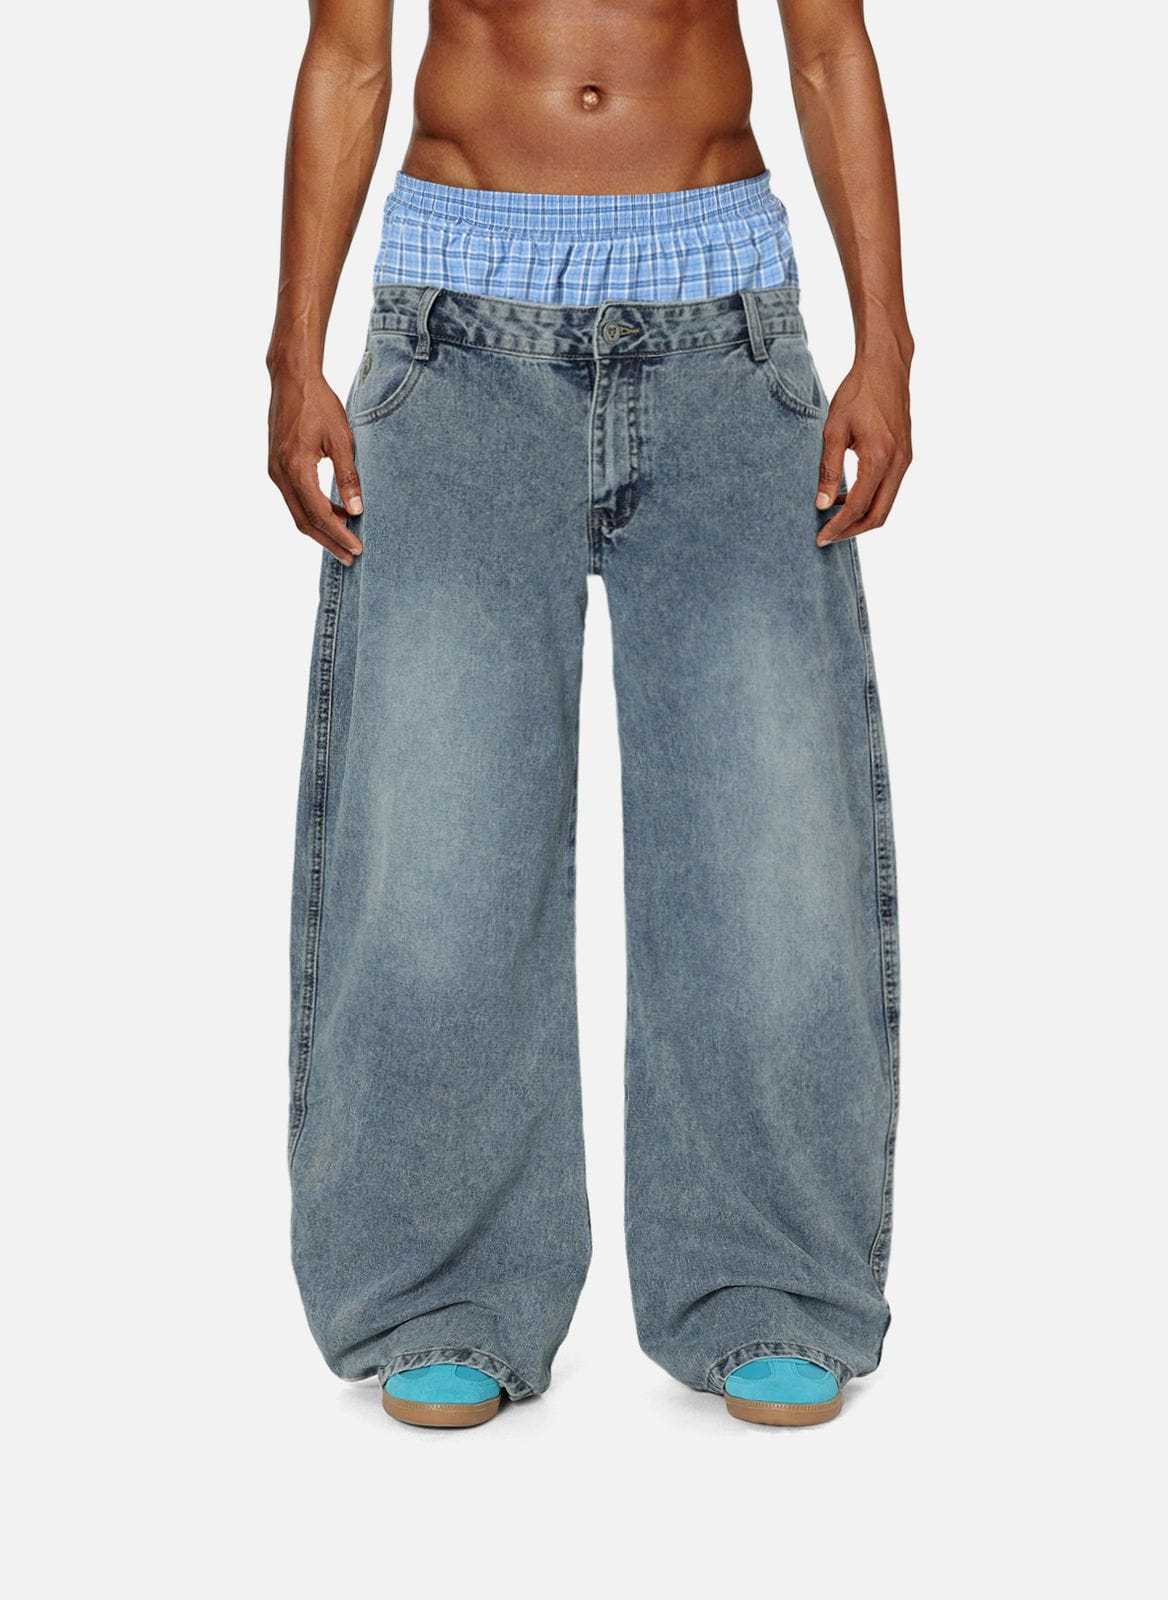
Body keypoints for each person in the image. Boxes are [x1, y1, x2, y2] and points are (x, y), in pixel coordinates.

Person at [268, 0, 912, 1430]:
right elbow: (348, 55)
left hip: (724, 325)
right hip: (455, 330)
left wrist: (889, 343)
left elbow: (828, 45)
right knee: (439, 838)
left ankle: (770, 1284)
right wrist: (290, 354)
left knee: (767, 841)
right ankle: (443, 1291)